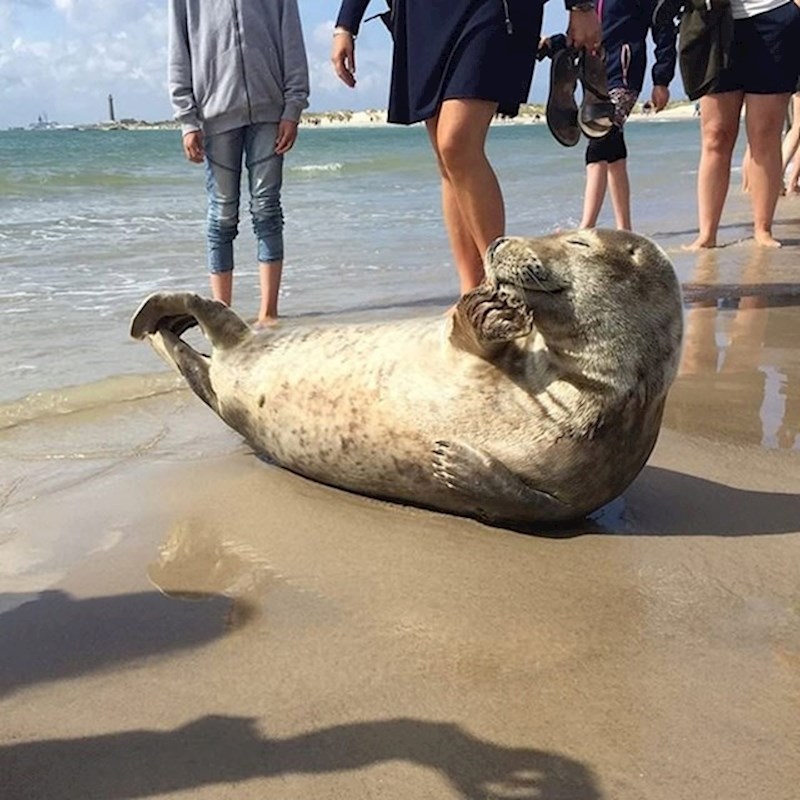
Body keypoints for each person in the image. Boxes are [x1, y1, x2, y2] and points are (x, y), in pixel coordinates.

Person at [331, 0, 602, 298]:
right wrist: (346, 24)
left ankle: (506, 289)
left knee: (456, 143)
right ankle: (472, 294)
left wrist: (582, 7)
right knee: (448, 161)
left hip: (493, 8)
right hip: (422, 15)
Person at [168, 0, 309, 327]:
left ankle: (269, 313)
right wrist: (187, 120)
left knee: (267, 209)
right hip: (215, 116)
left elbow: (292, 40)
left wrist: (293, 108)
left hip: (270, 111)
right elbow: (179, 51)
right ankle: (221, 317)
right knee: (221, 215)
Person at [686, 0, 800, 250]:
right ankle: (707, 234)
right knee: (715, 135)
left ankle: (763, 229)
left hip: (774, 15)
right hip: (714, 19)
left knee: (765, 133)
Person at [577, 0, 678, 230]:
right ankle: (625, 228)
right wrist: (551, 44)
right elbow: (583, 30)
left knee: (599, 140)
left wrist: (661, 80)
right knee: (613, 149)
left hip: (623, 75)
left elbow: (663, 28)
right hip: (595, 79)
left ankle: (586, 227)